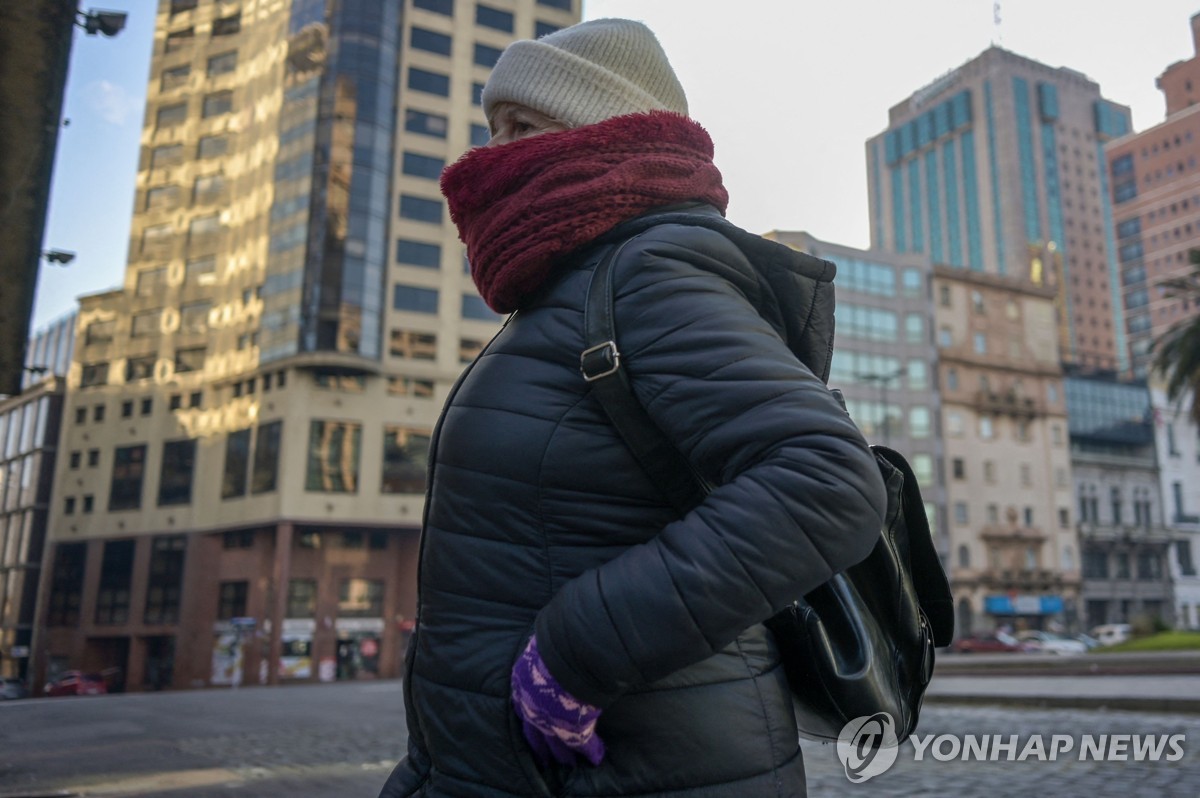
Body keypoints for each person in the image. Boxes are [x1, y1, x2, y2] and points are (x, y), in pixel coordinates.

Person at [379, 18, 887, 798]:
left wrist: (572, 657)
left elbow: (824, 481)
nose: (487, 158)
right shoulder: (569, 286)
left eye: (522, 126)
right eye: (491, 130)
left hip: (641, 767)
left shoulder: (647, 270)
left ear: (600, 126)